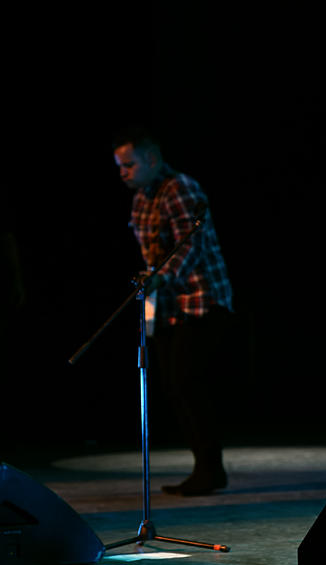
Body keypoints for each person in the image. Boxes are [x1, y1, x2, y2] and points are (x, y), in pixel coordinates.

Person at [113, 127, 234, 496]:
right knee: (174, 385)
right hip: (168, 308)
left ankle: (211, 470)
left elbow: (188, 247)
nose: (124, 173)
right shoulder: (140, 199)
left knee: (188, 382)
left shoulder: (180, 188)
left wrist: (159, 279)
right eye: (120, 167)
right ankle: (205, 467)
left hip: (202, 302)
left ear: (151, 159)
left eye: (129, 164)